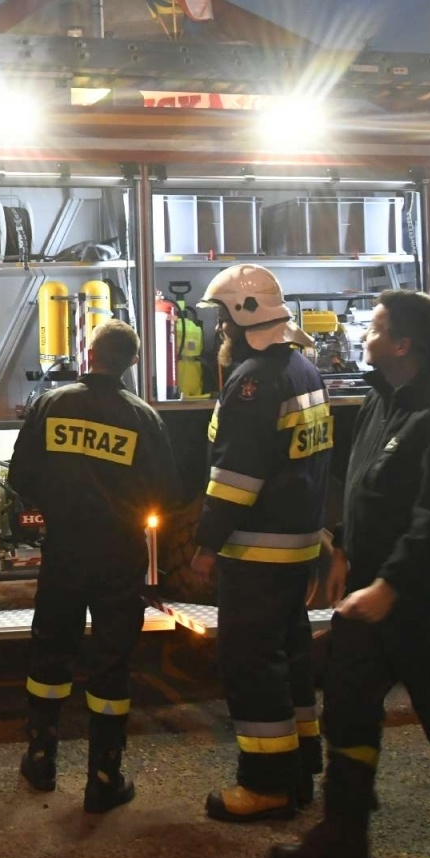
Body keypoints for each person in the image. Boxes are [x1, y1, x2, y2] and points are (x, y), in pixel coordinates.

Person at [272, 290, 430, 858]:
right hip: (369, 593)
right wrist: (341, 548)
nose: (364, 335)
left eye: (375, 328)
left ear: (403, 344)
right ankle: (341, 846)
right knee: (349, 709)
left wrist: (391, 586)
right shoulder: (380, 403)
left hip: (429, 603)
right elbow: (364, 489)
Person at [8, 318, 184, 813]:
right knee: (111, 662)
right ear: (132, 363)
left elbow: (22, 475)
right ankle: (103, 778)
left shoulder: (52, 404)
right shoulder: (144, 417)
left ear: (88, 352)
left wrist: (59, 508)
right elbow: (166, 494)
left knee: (50, 653)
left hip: (64, 550)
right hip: (119, 557)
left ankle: (41, 759)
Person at [189, 264, 333, 822]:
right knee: (289, 654)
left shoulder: (253, 380)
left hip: (256, 548)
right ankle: (299, 768)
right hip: (294, 544)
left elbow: (237, 476)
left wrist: (205, 545)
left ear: (242, 316)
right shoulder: (302, 368)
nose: (218, 329)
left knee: (250, 661)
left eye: (221, 317)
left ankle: (266, 785)